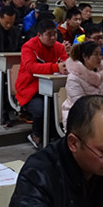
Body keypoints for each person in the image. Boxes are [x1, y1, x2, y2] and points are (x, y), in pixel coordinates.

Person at [16, 19, 69, 148]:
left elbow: (65, 63)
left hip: (53, 88)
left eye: (55, 33)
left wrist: (66, 67)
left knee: (60, 106)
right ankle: (37, 136)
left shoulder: (59, 47)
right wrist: (55, 67)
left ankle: (55, 136)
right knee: (41, 109)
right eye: (49, 34)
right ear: (39, 35)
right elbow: (31, 67)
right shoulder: (29, 46)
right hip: (30, 89)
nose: (53, 37)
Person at [61, 41, 103, 125]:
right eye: (96, 54)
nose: (99, 58)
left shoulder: (102, 74)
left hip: (99, 114)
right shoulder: (73, 78)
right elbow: (80, 105)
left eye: (101, 54)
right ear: (85, 56)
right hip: (78, 117)